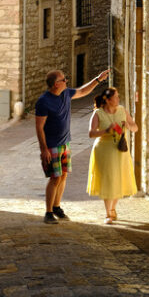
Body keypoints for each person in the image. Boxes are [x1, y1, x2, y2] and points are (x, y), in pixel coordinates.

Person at [35, 68, 109, 224]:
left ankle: (57, 207)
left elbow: (82, 91)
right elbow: (39, 127)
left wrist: (98, 79)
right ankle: (48, 212)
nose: (66, 81)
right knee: (55, 178)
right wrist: (44, 150)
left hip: (65, 143)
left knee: (63, 176)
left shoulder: (66, 93)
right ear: (56, 84)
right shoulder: (43, 101)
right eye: (63, 80)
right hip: (52, 146)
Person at [87, 86, 138, 223]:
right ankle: (108, 213)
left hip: (120, 150)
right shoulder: (98, 113)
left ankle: (113, 209)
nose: (118, 99)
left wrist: (127, 125)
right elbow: (91, 133)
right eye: (116, 97)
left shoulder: (122, 110)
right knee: (108, 180)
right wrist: (106, 131)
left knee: (119, 179)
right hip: (104, 150)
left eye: (118, 96)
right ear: (108, 100)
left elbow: (135, 127)